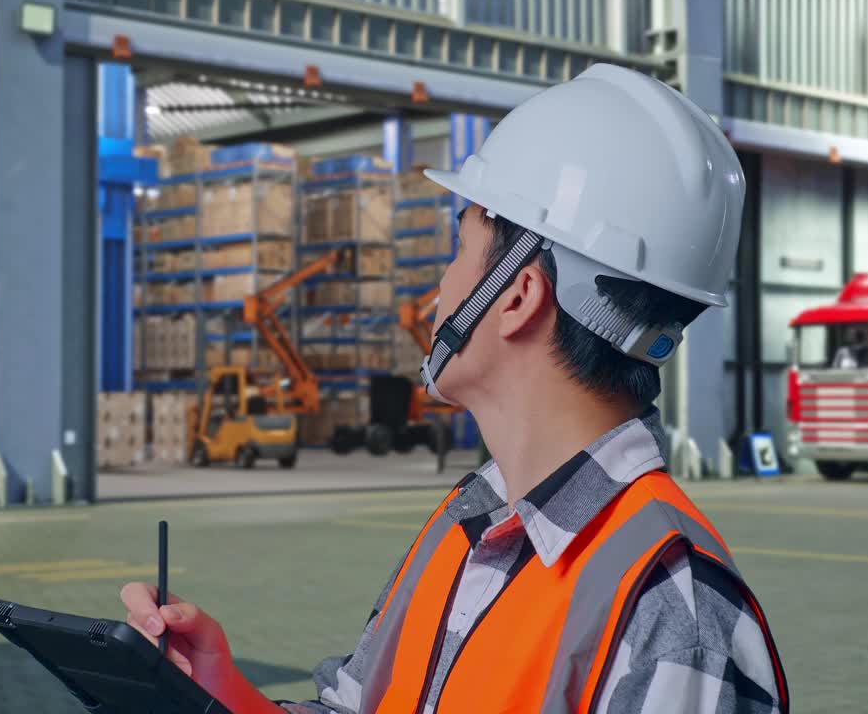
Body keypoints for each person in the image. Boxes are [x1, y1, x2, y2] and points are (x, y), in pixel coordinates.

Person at [121, 63, 789, 714]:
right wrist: (221, 692)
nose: (439, 289)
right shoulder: (468, 529)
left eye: (459, 249)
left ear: (520, 294)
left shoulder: (670, 611)